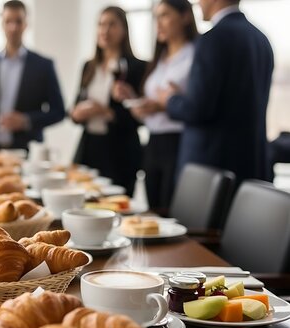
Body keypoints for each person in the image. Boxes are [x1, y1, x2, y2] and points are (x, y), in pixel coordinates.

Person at [158, 0, 274, 185]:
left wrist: (170, 99)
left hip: (211, 167)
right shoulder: (261, 39)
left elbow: (197, 109)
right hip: (251, 163)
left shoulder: (212, 39)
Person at [0, 0, 65, 151]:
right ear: (1, 24)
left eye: (18, 21)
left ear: (26, 24)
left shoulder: (43, 66)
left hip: (26, 152)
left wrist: (26, 120)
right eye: (8, 21)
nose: (13, 27)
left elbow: (59, 111)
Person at [128, 0, 198, 210]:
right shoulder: (159, 59)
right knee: (154, 209)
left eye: (165, 15)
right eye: (156, 17)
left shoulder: (194, 55)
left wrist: (166, 105)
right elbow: (153, 104)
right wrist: (136, 103)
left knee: (172, 208)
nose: (158, 23)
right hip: (153, 143)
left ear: (185, 17)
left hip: (178, 142)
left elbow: (196, 104)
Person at [70, 6, 146, 196]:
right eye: (101, 24)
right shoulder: (89, 66)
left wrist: (105, 112)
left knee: (118, 204)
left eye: (112, 24)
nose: (105, 30)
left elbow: (140, 118)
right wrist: (76, 113)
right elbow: (74, 106)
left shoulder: (137, 68)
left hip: (120, 151)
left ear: (124, 30)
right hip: (89, 148)